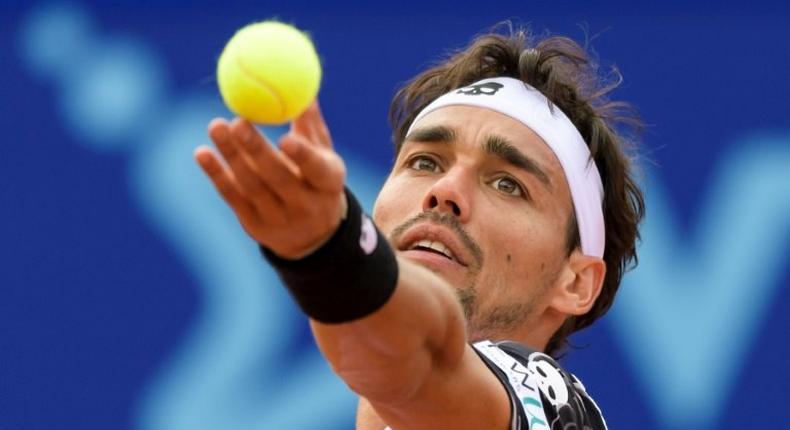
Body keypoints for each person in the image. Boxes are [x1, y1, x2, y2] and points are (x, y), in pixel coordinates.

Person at [194, 25, 644, 430]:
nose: (445, 191)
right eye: (424, 162)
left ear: (576, 281)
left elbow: (417, 364)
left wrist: (328, 249)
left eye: (508, 184)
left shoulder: (560, 415)